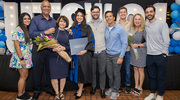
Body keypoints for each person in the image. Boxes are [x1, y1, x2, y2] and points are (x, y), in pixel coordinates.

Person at [29, 1, 56, 99]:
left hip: (50, 49)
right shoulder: (35, 19)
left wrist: (68, 30)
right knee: (37, 71)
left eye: (48, 6)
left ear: (50, 8)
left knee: (49, 70)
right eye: (44, 6)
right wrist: (45, 32)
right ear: (41, 8)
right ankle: (37, 90)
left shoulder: (54, 21)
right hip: (38, 49)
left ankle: (48, 88)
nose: (46, 8)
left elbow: (57, 33)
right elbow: (31, 34)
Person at [144, 5, 170, 100]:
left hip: (160, 55)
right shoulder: (146, 24)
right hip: (149, 55)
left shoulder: (162, 24)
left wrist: (164, 53)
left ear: (154, 13)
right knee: (152, 76)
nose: (149, 13)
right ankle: (152, 93)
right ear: (145, 14)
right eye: (147, 12)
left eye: (150, 11)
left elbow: (166, 40)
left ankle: (160, 95)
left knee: (161, 77)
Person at [69, 8, 95, 99]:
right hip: (75, 55)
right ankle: (80, 88)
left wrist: (85, 50)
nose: (79, 17)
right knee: (75, 71)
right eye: (78, 16)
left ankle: (80, 89)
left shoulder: (87, 27)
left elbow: (91, 40)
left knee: (81, 72)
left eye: (81, 16)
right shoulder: (72, 28)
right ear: (75, 17)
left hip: (83, 54)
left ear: (84, 17)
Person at [104, 11, 128, 99]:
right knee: (109, 74)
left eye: (110, 16)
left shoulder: (120, 29)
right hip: (108, 55)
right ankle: (111, 88)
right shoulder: (106, 29)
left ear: (114, 17)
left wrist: (121, 56)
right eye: (106, 16)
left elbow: (125, 43)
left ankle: (116, 91)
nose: (108, 18)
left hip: (117, 55)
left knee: (116, 74)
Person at [9, 12, 32, 100]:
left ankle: (23, 92)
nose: (27, 20)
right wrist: (21, 59)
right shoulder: (18, 30)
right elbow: (16, 45)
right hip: (21, 57)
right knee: (23, 76)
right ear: (21, 20)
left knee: (25, 76)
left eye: (28, 18)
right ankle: (19, 95)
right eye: (25, 19)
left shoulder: (25, 29)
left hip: (27, 56)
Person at [48, 16, 72, 100]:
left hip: (64, 57)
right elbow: (47, 44)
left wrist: (64, 48)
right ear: (58, 22)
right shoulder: (53, 32)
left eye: (64, 22)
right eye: (61, 21)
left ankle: (61, 92)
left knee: (63, 76)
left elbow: (71, 46)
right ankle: (56, 94)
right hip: (53, 56)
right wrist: (53, 49)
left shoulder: (68, 33)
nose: (62, 23)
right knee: (54, 76)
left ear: (66, 24)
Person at [87, 6, 106, 98]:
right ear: (91, 13)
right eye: (94, 12)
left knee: (102, 72)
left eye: (97, 12)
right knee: (93, 72)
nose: (95, 13)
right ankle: (93, 87)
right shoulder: (87, 24)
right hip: (92, 52)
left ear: (99, 13)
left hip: (102, 51)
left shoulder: (105, 23)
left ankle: (102, 89)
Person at [129, 13, 146, 96]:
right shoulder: (131, 29)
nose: (137, 21)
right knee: (135, 69)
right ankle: (136, 86)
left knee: (140, 70)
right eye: (136, 19)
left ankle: (140, 87)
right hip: (133, 52)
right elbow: (130, 39)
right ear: (133, 20)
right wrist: (130, 43)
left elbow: (147, 43)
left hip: (141, 52)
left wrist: (138, 45)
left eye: (139, 19)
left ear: (141, 20)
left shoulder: (144, 29)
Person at [117, 7, 131, 93]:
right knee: (117, 70)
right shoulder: (115, 24)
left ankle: (128, 85)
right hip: (118, 50)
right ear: (119, 14)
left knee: (127, 69)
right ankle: (118, 85)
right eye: (121, 12)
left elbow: (132, 35)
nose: (122, 14)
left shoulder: (130, 24)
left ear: (126, 13)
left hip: (127, 49)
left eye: (124, 12)